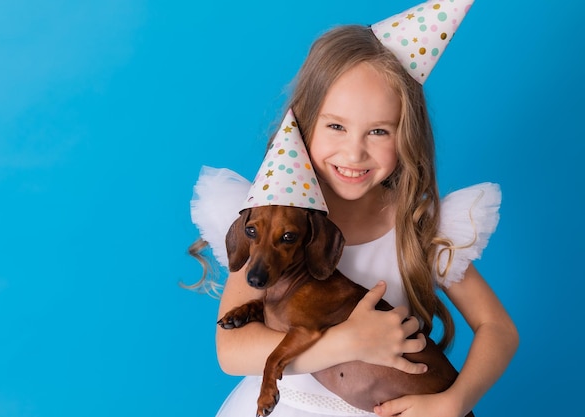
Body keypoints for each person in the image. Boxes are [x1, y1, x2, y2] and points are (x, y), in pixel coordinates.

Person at [188, 1, 518, 416]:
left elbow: (498, 328)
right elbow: (230, 352)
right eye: (336, 126)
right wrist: (345, 343)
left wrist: (454, 401)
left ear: (406, 136)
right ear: (306, 122)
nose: (354, 152)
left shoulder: (415, 226)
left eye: (378, 130)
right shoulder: (272, 220)